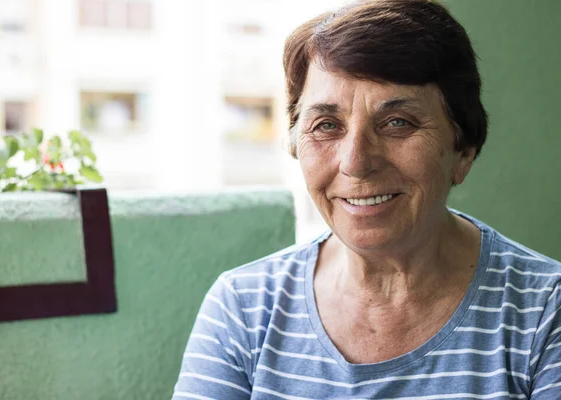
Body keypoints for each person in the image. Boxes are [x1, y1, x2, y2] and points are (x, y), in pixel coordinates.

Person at [172, 0, 561, 398]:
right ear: (293, 143)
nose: (355, 163)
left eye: (397, 123)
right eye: (326, 125)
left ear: (464, 150)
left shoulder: (546, 311)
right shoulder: (244, 307)